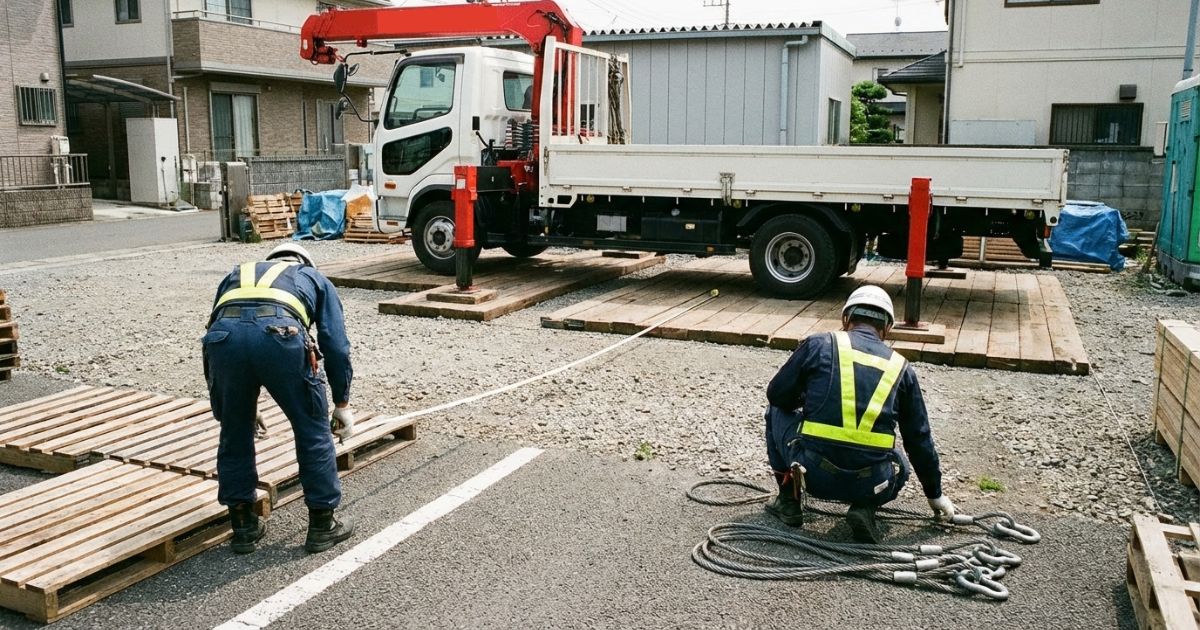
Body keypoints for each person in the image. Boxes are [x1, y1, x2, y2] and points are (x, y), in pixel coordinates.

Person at [763, 285, 956, 543]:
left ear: (846, 319)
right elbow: (919, 439)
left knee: (774, 410)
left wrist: (807, 398)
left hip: (813, 475)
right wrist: (935, 495)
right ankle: (864, 507)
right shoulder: (902, 368)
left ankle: (789, 500)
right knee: (901, 460)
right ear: (887, 328)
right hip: (873, 484)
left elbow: (777, 396)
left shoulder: (819, 344)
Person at [203, 243, 356, 554]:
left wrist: (234, 405)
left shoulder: (237, 272)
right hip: (281, 335)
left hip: (225, 343)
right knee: (311, 430)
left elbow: (217, 334)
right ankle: (322, 526)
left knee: (234, 431)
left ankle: (244, 527)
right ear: (304, 263)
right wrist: (341, 404)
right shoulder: (312, 277)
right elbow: (336, 346)